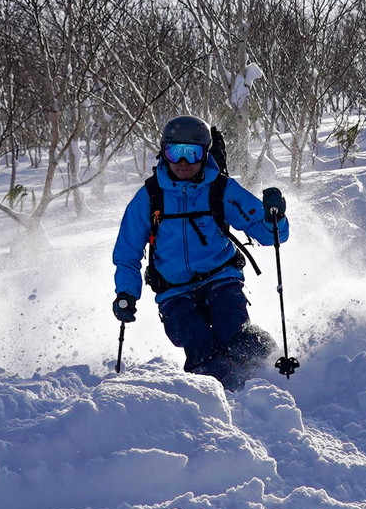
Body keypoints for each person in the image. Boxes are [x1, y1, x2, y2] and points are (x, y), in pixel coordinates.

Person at [111, 115, 289, 392]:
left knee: (233, 332)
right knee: (198, 342)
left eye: (192, 154)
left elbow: (269, 235)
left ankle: (271, 374)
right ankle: (220, 398)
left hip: (221, 278)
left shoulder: (221, 189)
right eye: (175, 153)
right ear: (163, 152)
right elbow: (127, 253)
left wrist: (274, 217)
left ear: (204, 154)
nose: (183, 163)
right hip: (173, 291)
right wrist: (126, 293)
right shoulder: (150, 196)